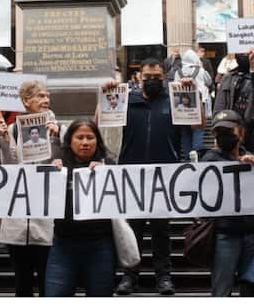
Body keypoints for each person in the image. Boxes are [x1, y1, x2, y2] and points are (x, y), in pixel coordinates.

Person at [107, 59, 186, 295]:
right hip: (132, 176)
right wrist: (105, 95)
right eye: (148, 76)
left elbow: (197, 123)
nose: (152, 81)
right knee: (134, 230)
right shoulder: (127, 101)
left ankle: (164, 277)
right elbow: (102, 120)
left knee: (162, 231)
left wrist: (189, 92)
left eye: (157, 77)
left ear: (164, 77)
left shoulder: (172, 101)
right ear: (139, 77)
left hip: (164, 177)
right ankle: (130, 277)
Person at [0, 80, 61, 297]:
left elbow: (64, 164)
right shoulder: (14, 130)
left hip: (46, 219)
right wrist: (4, 140)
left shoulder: (59, 128)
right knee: (22, 284)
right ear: (26, 101)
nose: (46, 100)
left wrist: (57, 139)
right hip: (19, 223)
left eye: (47, 96)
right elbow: (9, 167)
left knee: (47, 282)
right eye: (40, 96)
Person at [202, 110, 254, 297]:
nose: (224, 137)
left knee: (250, 289)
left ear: (241, 132)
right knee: (222, 289)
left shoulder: (251, 158)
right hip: (224, 235)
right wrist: (238, 165)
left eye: (229, 131)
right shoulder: (209, 160)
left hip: (251, 233)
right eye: (219, 133)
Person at [44, 120, 117, 297]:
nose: (85, 142)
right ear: (70, 141)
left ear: (97, 142)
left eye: (90, 137)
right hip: (63, 245)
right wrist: (50, 172)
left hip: (100, 246)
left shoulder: (109, 165)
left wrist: (107, 173)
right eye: (80, 137)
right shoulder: (58, 166)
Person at [213, 53, 254, 153]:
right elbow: (219, 106)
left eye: (246, 53)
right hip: (231, 129)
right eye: (240, 53)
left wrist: (253, 66)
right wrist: (217, 129)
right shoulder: (228, 77)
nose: (244, 55)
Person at [172, 49, 213, 158]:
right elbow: (209, 82)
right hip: (198, 103)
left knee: (185, 132)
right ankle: (197, 154)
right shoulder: (201, 71)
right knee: (198, 129)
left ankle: (186, 156)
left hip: (183, 105)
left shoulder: (178, 72)